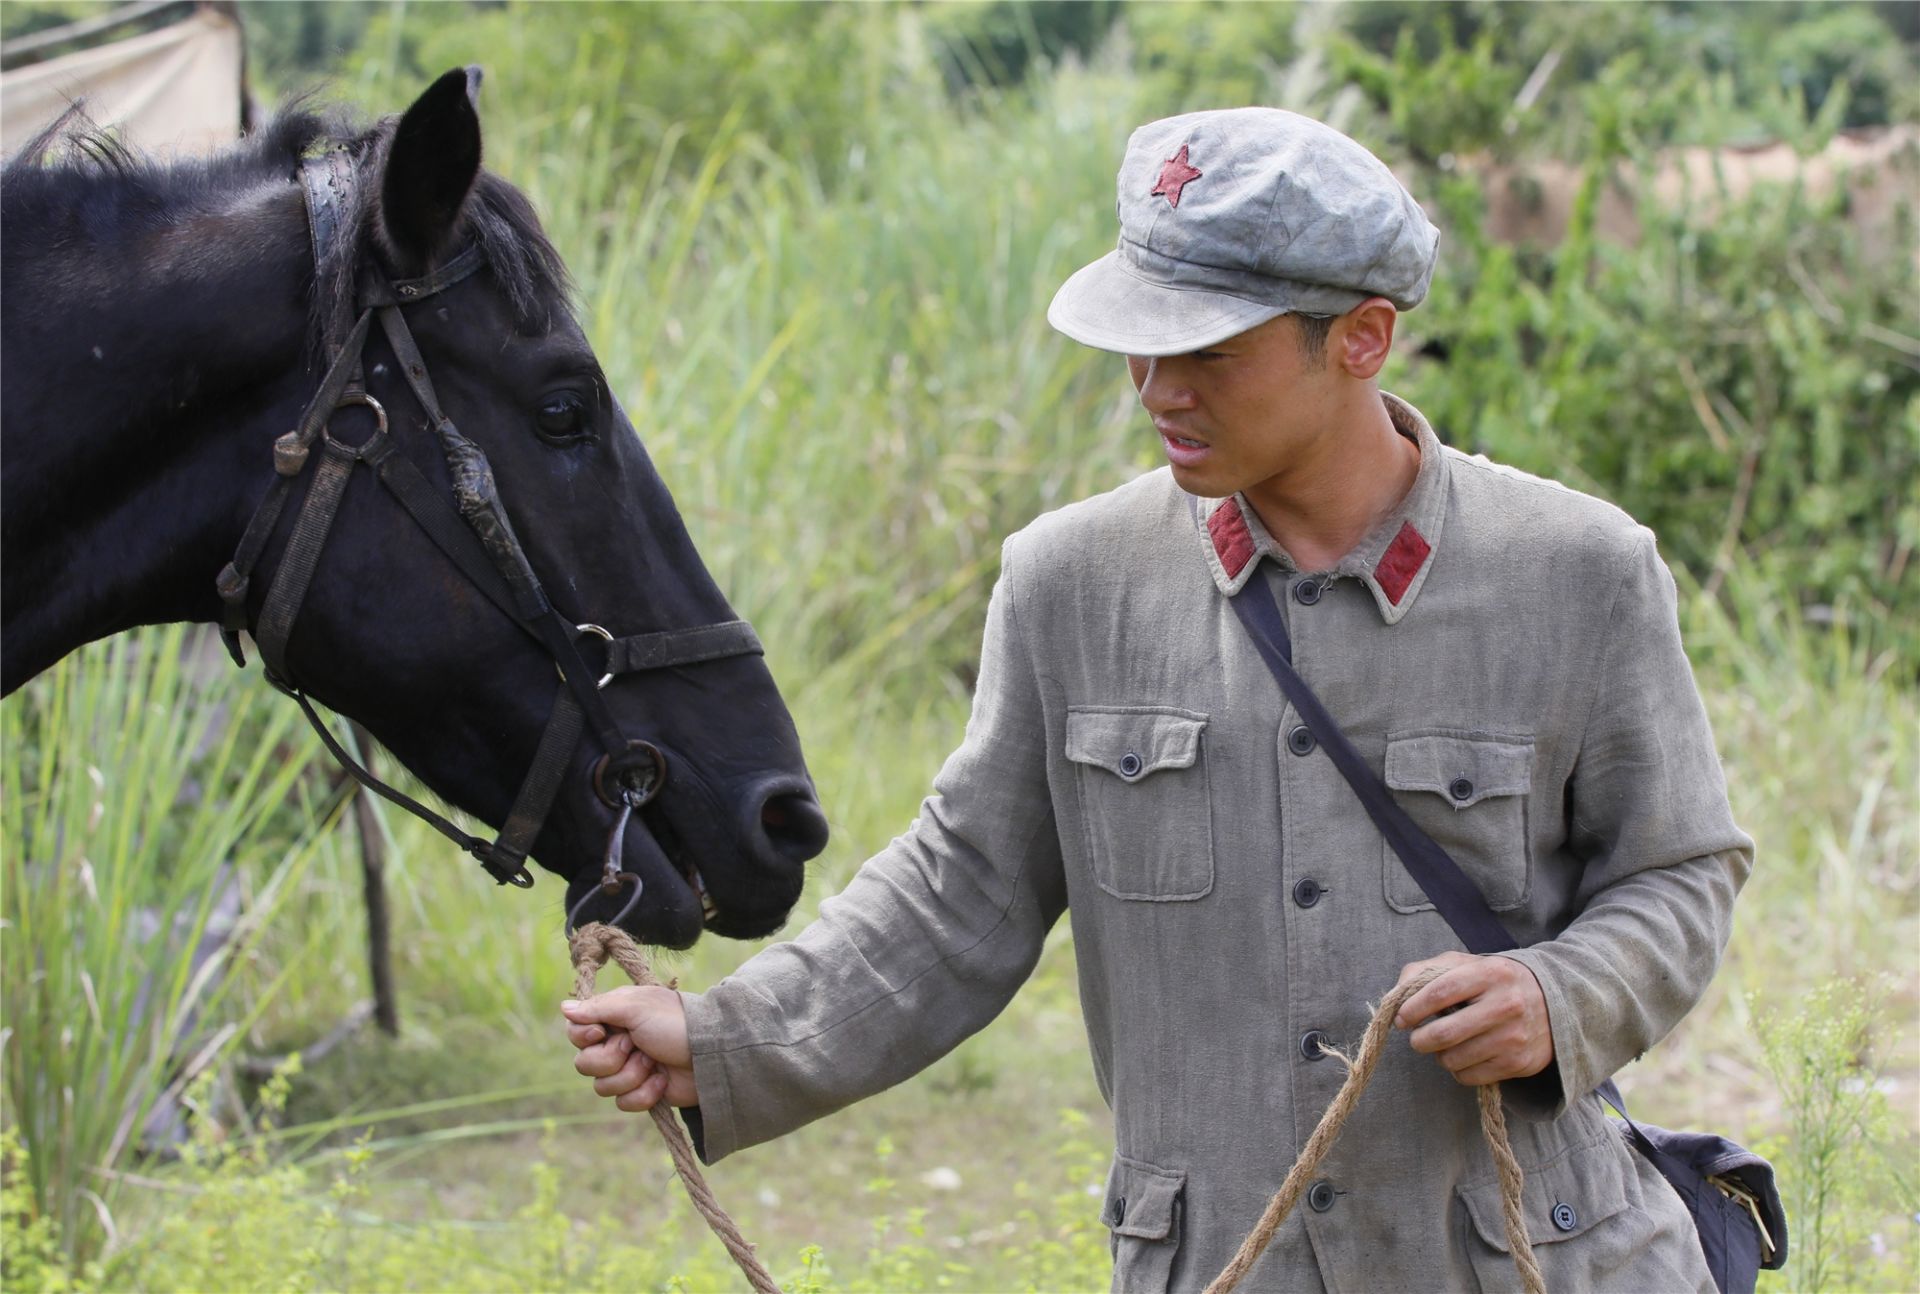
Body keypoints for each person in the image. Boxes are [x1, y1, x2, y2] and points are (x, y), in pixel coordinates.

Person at [561, 107, 1751, 1293]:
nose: (1156, 390)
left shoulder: (1579, 571)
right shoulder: (1069, 585)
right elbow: (958, 893)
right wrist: (727, 1043)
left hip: (1528, 1259)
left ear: (1364, 338)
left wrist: (1562, 996)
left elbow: (1681, 868)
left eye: (1210, 354)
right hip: (1226, 1265)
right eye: (1140, 345)